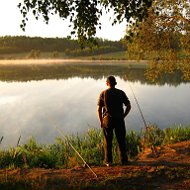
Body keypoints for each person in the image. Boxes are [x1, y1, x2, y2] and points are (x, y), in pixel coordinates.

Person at [97, 76, 131, 166]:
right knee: (121, 140)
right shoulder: (121, 92)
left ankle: (108, 162)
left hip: (107, 120)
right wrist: (124, 116)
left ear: (107, 83)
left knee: (108, 141)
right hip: (119, 119)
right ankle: (124, 160)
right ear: (115, 83)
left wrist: (101, 121)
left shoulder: (103, 93)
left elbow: (99, 109)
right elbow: (129, 106)